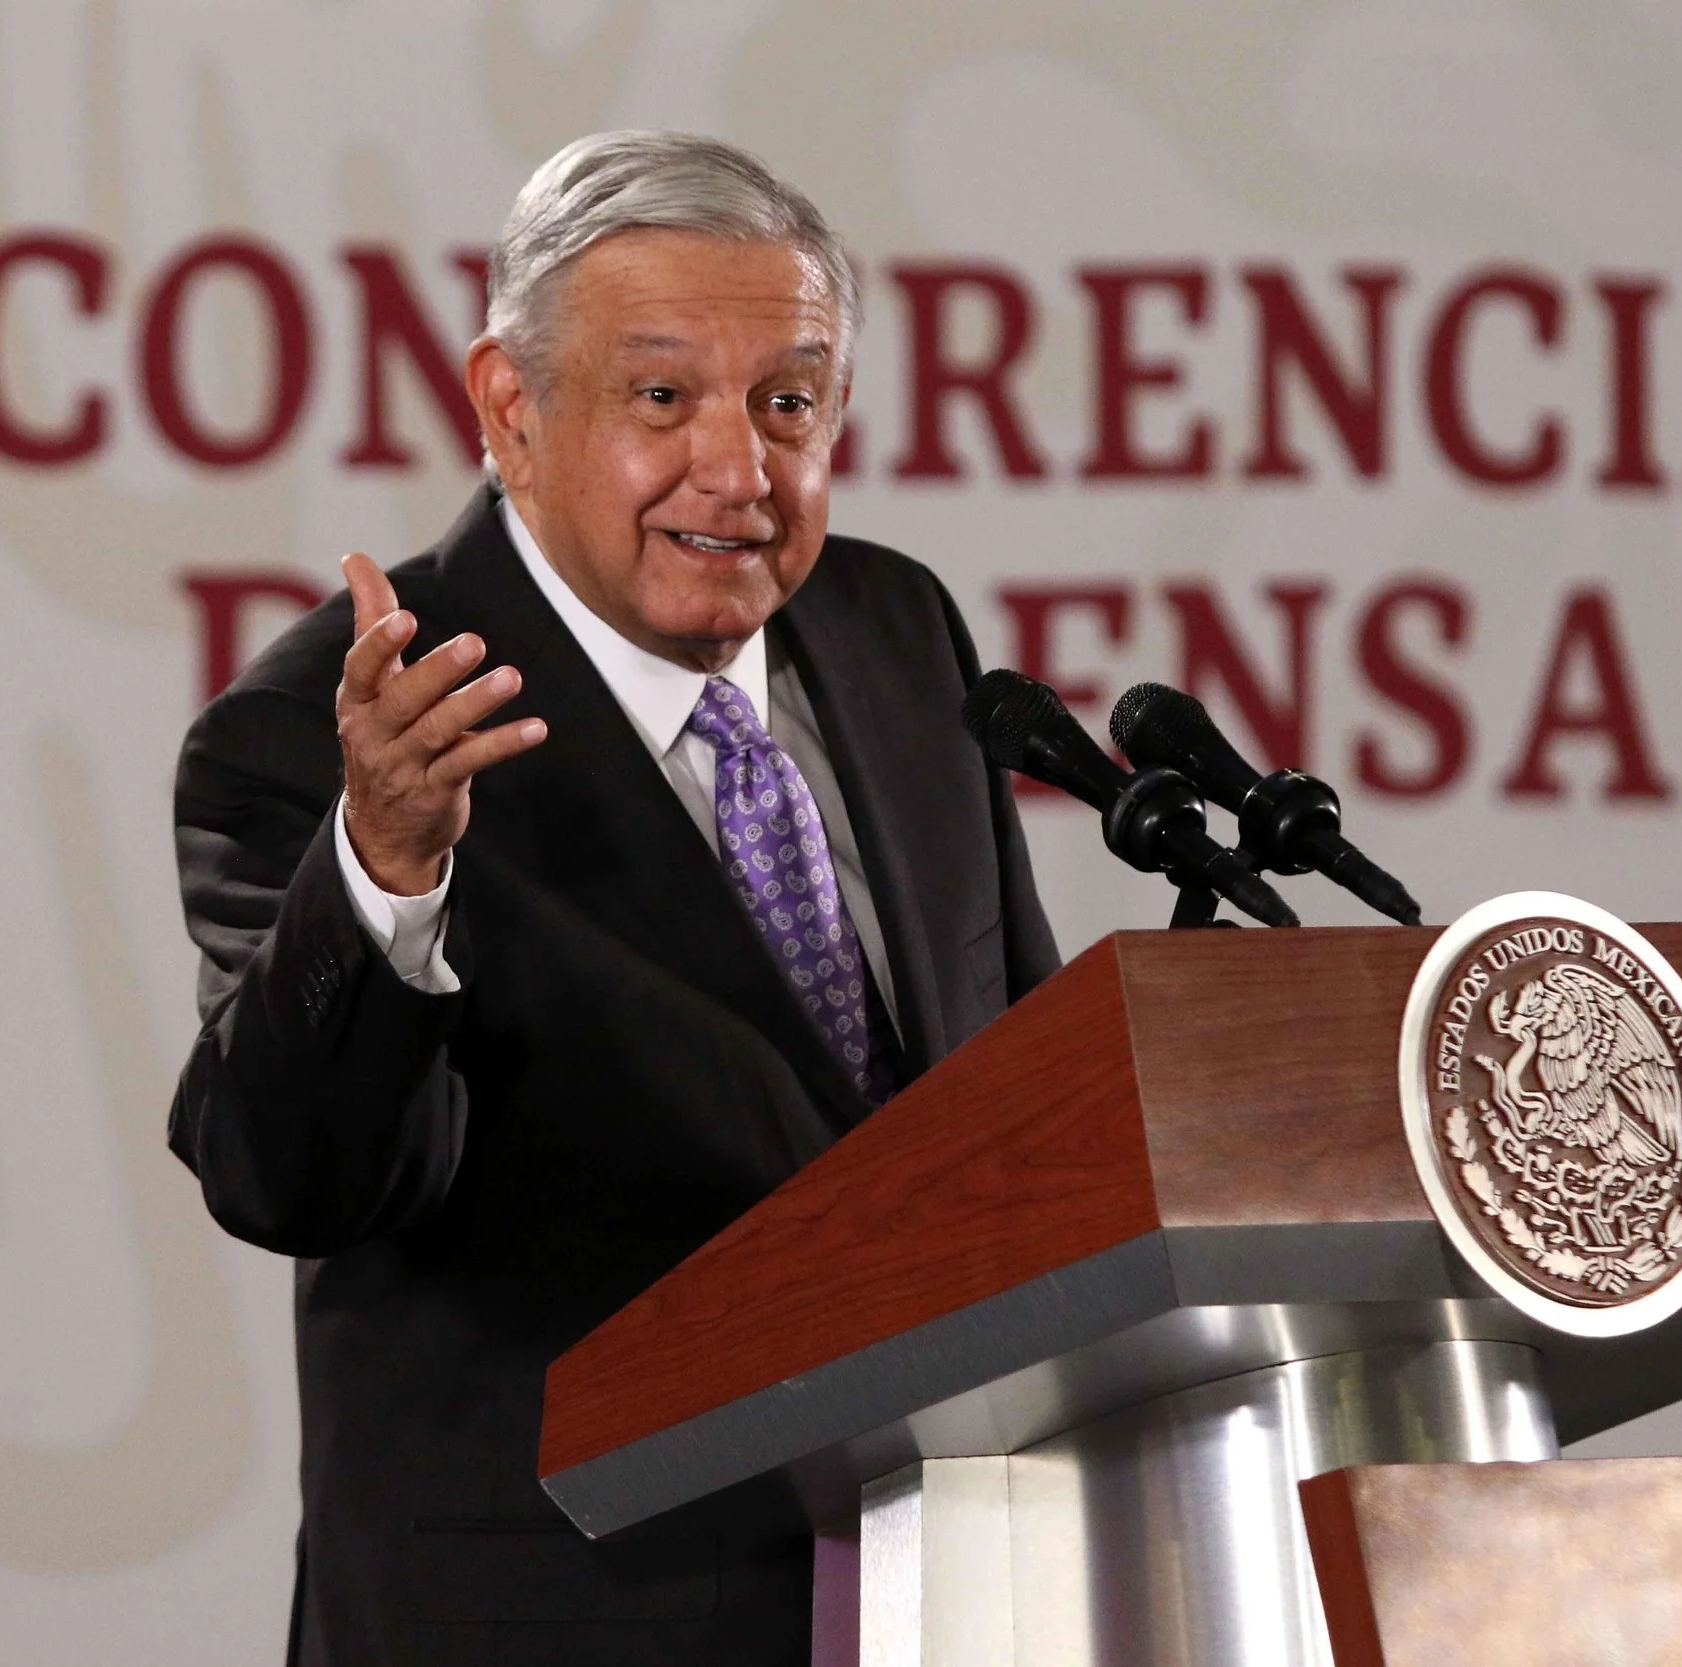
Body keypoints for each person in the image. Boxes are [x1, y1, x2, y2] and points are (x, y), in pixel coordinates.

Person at [168, 131, 1059, 1666]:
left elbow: (1022, 1102)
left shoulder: (894, 629)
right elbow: (286, 1173)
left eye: (788, 403)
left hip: (942, 1602)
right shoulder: (338, 726)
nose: (740, 471)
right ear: (511, 409)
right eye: (663, 399)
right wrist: (386, 868)